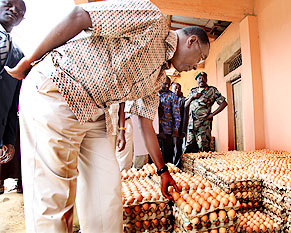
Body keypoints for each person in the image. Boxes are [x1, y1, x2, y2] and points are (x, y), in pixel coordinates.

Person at [5, 0, 210, 232]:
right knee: (54, 198)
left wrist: (162, 170)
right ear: (192, 41)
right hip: (60, 88)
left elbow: (145, 123)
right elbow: (79, 16)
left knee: (106, 195)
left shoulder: (159, 78)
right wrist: (29, 59)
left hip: (96, 111)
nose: (195, 68)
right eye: (199, 59)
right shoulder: (152, 18)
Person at [0, 0, 26, 194]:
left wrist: (8, 139)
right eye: (8, 4)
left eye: (20, 11)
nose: (14, 10)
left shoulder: (19, 55)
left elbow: (12, 104)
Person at [185, 71, 227, 153]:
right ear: (196, 80)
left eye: (204, 78)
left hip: (203, 125)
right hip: (191, 124)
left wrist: (212, 115)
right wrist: (192, 97)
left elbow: (224, 103)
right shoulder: (193, 91)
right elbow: (185, 105)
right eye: (199, 78)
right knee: (189, 148)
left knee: (203, 148)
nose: (202, 80)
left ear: (207, 79)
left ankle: (204, 165)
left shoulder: (212, 90)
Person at [158, 76, 181, 163]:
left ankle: (169, 173)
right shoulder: (155, 94)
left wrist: (176, 128)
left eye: (169, 84)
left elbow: (176, 114)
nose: (167, 86)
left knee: (167, 154)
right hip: (155, 130)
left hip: (167, 130)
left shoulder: (172, 96)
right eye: (165, 84)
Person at [171, 82, 187, 167]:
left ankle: (176, 167)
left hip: (179, 129)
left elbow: (185, 116)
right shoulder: (168, 98)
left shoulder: (183, 100)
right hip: (168, 129)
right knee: (168, 149)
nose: (177, 90)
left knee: (178, 148)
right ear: (172, 89)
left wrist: (183, 131)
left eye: (179, 88)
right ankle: (169, 166)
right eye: (175, 88)